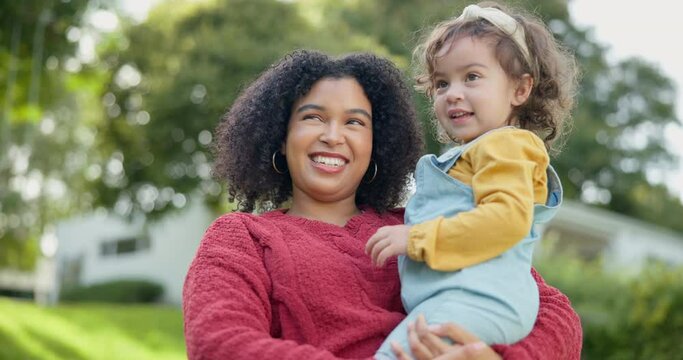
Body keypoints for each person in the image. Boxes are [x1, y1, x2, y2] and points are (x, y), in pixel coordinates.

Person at [182, 49, 582, 360]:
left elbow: (556, 314)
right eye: (313, 117)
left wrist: (496, 357)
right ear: (280, 138)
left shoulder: (423, 225)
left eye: (355, 122)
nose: (334, 136)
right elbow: (221, 344)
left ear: (377, 145)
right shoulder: (242, 237)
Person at [364, 2, 580, 358]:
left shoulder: (506, 144)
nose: (454, 93)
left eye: (472, 77)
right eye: (441, 83)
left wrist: (416, 237)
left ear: (520, 90)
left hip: (476, 301)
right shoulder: (475, 153)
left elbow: (505, 219)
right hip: (457, 300)